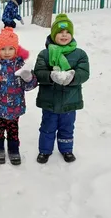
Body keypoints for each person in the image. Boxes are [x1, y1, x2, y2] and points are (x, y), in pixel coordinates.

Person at [34, 14, 90, 164]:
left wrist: (73, 77)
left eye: (67, 32)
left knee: (67, 127)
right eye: (60, 32)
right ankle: (45, 151)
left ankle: (66, 150)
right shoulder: (45, 54)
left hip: (70, 100)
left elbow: (84, 73)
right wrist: (50, 76)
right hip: (49, 100)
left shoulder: (80, 55)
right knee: (47, 126)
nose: (64, 35)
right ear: (53, 34)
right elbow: (38, 73)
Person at [0, 27, 37, 165]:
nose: (6, 52)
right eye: (3, 49)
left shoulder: (20, 65)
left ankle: (13, 149)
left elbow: (30, 86)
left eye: (10, 49)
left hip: (14, 107)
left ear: (16, 50)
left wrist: (28, 78)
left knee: (13, 130)